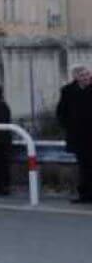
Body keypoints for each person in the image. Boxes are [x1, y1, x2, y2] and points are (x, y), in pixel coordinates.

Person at [56, 65, 92, 204]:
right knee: (83, 165)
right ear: (76, 77)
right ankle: (85, 194)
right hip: (78, 135)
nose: (86, 77)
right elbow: (61, 112)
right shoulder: (68, 91)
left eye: (88, 74)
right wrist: (68, 127)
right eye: (83, 75)